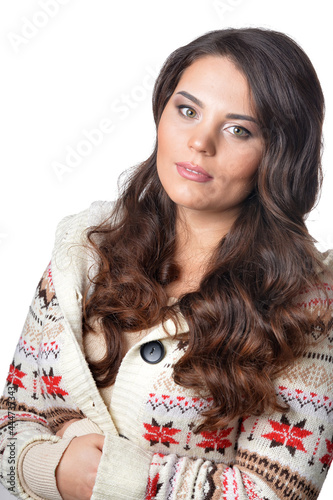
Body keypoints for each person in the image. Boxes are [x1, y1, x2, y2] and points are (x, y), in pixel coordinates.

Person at [1, 27, 333, 500]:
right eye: (187, 110)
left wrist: (115, 478)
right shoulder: (85, 250)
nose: (200, 141)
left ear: (279, 153)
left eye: (239, 129)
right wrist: (49, 468)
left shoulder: (311, 304)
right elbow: (12, 419)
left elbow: (276, 490)